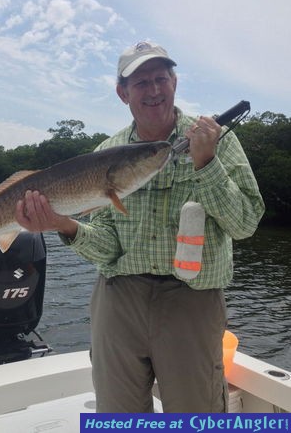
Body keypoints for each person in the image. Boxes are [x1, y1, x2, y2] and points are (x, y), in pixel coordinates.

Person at [15, 41, 265, 413]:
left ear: (174, 83)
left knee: (195, 414)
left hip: (192, 298)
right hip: (119, 299)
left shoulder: (216, 139)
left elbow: (245, 224)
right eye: (141, 82)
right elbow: (108, 249)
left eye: (161, 78)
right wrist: (63, 224)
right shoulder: (108, 150)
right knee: (119, 415)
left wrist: (206, 163)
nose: (153, 90)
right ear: (122, 93)